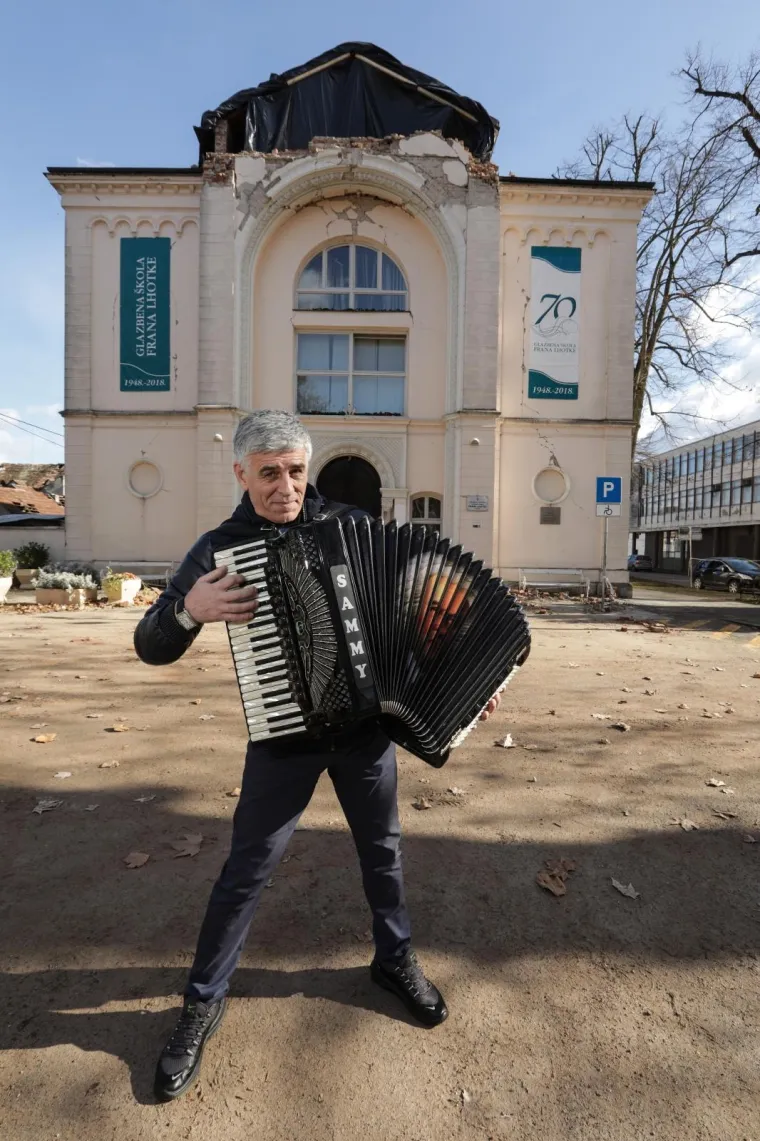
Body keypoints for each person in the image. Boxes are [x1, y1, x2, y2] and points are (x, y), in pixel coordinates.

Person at [134, 410, 500, 1102]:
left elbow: (409, 620)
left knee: (383, 852)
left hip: (364, 734)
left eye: (295, 470)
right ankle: (201, 1003)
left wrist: (460, 682)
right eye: (268, 472)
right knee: (246, 869)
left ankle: (393, 959)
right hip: (285, 737)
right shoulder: (221, 546)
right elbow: (149, 641)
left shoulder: (354, 527)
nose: (285, 486)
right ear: (241, 472)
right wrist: (190, 608)